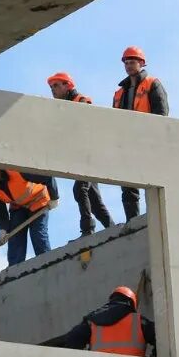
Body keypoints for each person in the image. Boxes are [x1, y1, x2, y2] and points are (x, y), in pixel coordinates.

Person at [47, 71, 113, 236]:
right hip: (83, 155)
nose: (52, 89)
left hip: (89, 154)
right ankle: (112, 229)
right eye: (51, 86)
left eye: (56, 85)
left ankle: (87, 229)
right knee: (95, 201)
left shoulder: (81, 101)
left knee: (80, 189)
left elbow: (87, 126)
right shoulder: (65, 107)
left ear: (67, 85)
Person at [112, 46, 170, 219]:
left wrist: (155, 138)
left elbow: (161, 113)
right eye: (126, 63)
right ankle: (133, 220)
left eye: (132, 62)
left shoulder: (152, 83)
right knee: (128, 183)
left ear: (141, 63)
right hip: (127, 142)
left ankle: (156, 217)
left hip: (147, 140)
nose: (129, 66)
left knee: (151, 178)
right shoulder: (119, 92)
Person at [0, 166, 59, 266]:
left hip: (38, 200)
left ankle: (47, 263)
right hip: (19, 208)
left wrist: (54, 197)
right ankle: (14, 271)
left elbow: (47, 177)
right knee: (15, 238)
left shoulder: (16, 171)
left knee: (38, 234)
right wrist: (3, 229)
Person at [43, 286, 156, 356]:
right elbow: (162, 338)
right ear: (132, 303)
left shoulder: (92, 320)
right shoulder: (140, 322)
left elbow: (73, 340)